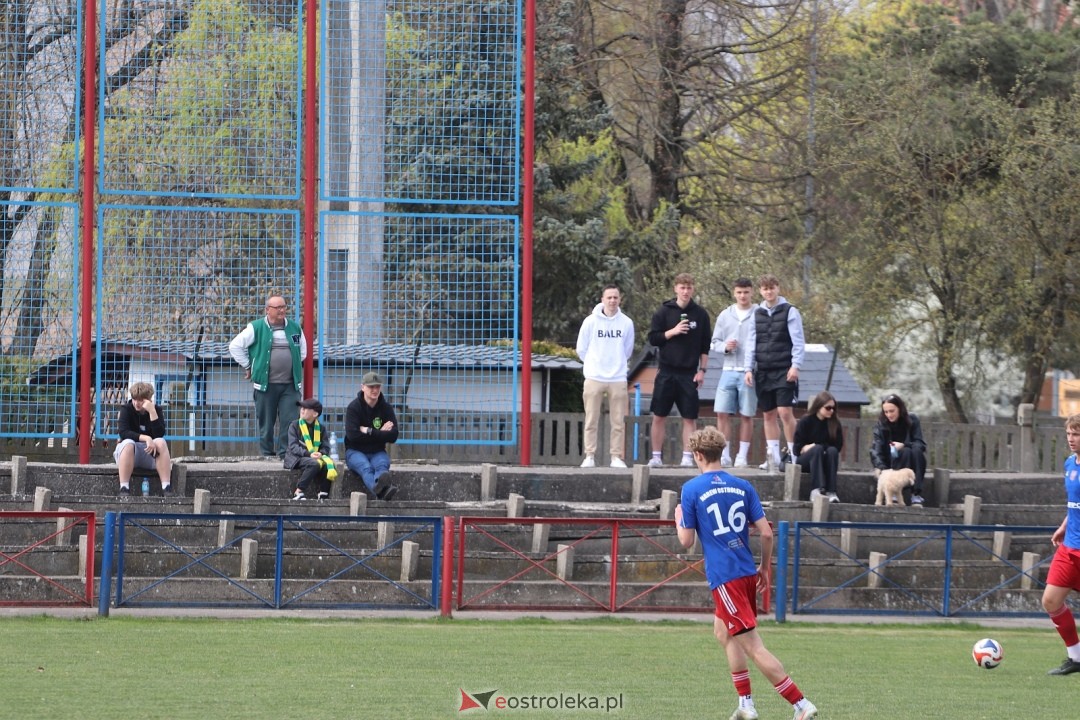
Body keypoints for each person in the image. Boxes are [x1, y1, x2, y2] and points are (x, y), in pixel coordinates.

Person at [675, 426, 818, 720]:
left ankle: (800, 704)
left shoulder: (691, 489)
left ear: (698, 455)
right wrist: (765, 567)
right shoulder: (743, 486)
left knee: (753, 645)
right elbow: (766, 534)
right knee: (723, 632)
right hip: (744, 572)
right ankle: (746, 705)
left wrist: (678, 518)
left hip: (725, 577)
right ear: (721, 452)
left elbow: (686, 541)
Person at [228, 294, 307, 459]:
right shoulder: (256, 328)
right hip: (265, 385)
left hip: (290, 386)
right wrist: (249, 366)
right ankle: (267, 454)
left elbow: (303, 353)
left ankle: (286, 454)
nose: (281, 310)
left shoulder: (295, 328)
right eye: (277, 308)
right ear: (267, 310)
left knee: (290, 421)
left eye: (283, 307)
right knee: (266, 422)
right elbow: (234, 346)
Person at [647, 272, 711, 468]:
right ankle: (656, 457)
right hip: (666, 371)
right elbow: (653, 338)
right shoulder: (663, 311)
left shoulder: (700, 314)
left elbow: (705, 346)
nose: (685, 291)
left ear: (693, 289)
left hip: (689, 373)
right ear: (675, 288)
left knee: (689, 418)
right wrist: (672, 332)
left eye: (689, 287)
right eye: (682, 287)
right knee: (659, 416)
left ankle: (687, 457)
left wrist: (703, 370)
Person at [744, 274, 805, 472]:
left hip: (784, 369)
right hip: (763, 370)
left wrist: (795, 365)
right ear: (760, 291)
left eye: (772, 288)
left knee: (785, 412)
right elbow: (751, 342)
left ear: (778, 288)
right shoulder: (757, 313)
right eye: (764, 289)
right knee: (768, 414)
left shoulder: (790, 311)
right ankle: (773, 455)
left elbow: (798, 341)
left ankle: (795, 456)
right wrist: (748, 368)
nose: (768, 292)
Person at [576, 285, 635, 469]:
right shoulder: (590, 322)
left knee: (618, 420)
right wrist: (594, 365)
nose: (612, 301)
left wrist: (615, 365)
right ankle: (589, 455)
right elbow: (581, 349)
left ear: (620, 299)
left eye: (615, 297)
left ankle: (616, 456)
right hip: (594, 376)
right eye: (609, 297)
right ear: (602, 299)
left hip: (617, 377)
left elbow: (627, 350)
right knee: (591, 418)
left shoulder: (626, 323)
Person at [1043, 413, 1080, 676]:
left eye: (1076, 434)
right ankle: (1076, 658)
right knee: (1051, 601)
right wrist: (1064, 526)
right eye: (1069, 433)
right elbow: (1074, 505)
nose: (1071, 439)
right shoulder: (1069, 464)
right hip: (1069, 548)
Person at [710, 277, 758, 468]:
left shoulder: (758, 313)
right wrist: (725, 347)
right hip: (728, 369)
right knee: (722, 412)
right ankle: (724, 454)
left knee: (746, 414)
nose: (742, 296)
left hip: (749, 371)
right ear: (734, 293)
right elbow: (714, 342)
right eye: (739, 292)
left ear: (752, 292)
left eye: (746, 292)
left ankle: (742, 455)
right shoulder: (725, 315)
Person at [344, 371, 400, 500]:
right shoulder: (354, 408)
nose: (375, 390)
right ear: (362, 387)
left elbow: (393, 436)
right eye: (371, 387)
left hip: (377, 451)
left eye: (377, 387)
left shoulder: (386, 408)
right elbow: (353, 436)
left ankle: (380, 489)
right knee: (366, 468)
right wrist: (381, 433)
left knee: (382, 466)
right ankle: (381, 492)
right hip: (355, 451)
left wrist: (369, 431)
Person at [114, 382, 173, 496]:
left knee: (161, 442)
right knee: (128, 443)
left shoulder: (156, 410)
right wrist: (146, 438)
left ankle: (166, 487)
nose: (137, 403)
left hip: (150, 454)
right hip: (129, 455)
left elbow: (159, 434)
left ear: (149, 400)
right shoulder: (126, 409)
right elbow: (123, 432)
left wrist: (152, 412)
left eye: (141, 400)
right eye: (135, 399)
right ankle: (124, 487)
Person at [870, 393, 928, 506]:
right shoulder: (881, 425)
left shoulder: (913, 419)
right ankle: (895, 493)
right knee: (905, 452)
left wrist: (904, 444)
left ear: (900, 409)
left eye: (892, 411)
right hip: (891, 463)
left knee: (915, 451)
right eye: (886, 412)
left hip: (912, 459)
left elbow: (920, 444)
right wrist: (881, 468)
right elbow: (876, 449)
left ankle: (916, 494)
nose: (889, 415)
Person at [792, 391, 844, 503]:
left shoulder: (834, 423)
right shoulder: (806, 421)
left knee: (831, 451)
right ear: (819, 406)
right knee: (817, 450)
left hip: (825, 458)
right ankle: (816, 489)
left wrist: (818, 446)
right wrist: (811, 447)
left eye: (833, 408)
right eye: (828, 408)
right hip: (806, 460)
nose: (831, 411)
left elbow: (837, 446)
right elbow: (797, 448)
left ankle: (831, 491)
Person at [284, 397, 338, 501]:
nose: (302, 410)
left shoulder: (321, 428)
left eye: (306, 408)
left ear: (315, 414)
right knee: (315, 463)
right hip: (295, 458)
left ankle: (323, 493)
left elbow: (326, 447)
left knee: (328, 464)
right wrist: (309, 454)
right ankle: (299, 491)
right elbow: (293, 447)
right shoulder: (294, 425)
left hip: (312, 457)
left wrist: (321, 453)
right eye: (301, 408)